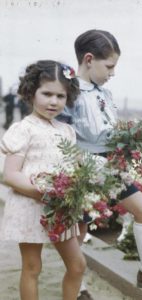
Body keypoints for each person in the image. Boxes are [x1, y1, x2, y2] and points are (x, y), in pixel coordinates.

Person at [59, 29, 142, 297]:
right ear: (89, 59)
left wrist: (130, 137)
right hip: (82, 169)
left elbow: (110, 129)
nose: (113, 72)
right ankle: (79, 288)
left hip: (109, 165)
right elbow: (60, 138)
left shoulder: (104, 93)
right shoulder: (68, 93)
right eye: (110, 66)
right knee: (79, 231)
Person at [0, 60, 86, 300]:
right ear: (31, 92)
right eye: (46, 93)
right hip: (31, 207)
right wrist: (45, 192)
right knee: (32, 267)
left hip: (60, 209)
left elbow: (72, 169)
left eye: (60, 96)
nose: (53, 101)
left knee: (77, 265)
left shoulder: (66, 130)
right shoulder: (23, 129)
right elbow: (11, 175)